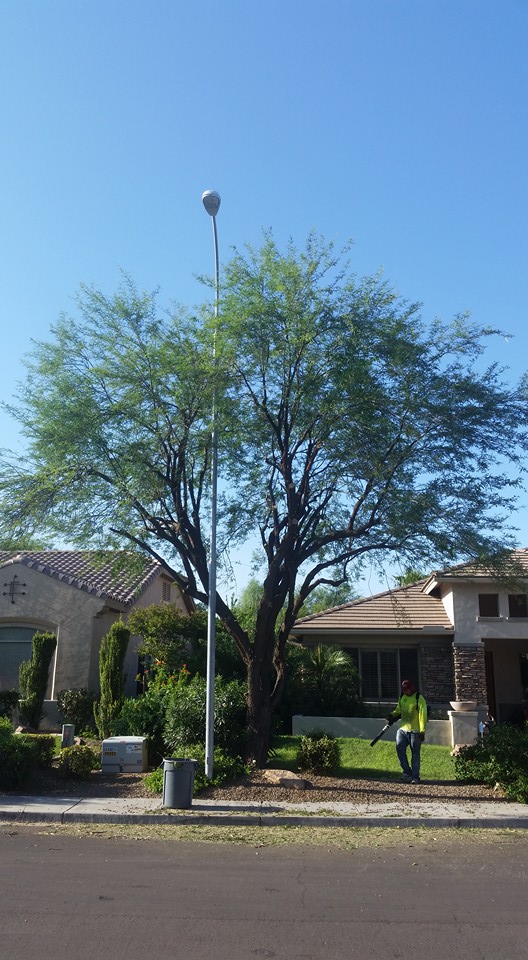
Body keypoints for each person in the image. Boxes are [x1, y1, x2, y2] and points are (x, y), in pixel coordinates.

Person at [387, 679, 427, 783]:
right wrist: (392, 715)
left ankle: (415, 777)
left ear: (411, 688)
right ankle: (407, 771)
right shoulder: (402, 697)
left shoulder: (419, 698)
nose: (405, 692)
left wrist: (422, 731)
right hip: (402, 730)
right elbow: (398, 710)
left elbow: (423, 715)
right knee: (399, 748)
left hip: (415, 731)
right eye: (404, 690)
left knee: (415, 754)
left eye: (407, 690)